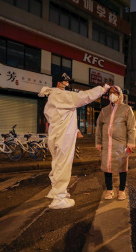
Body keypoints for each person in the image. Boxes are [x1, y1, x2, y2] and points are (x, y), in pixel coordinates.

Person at [38, 73, 110, 209]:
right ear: (59, 83)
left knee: (58, 163)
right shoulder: (60, 95)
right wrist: (102, 89)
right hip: (63, 136)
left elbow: (62, 116)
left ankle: (56, 191)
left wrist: (75, 129)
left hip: (57, 134)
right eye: (66, 82)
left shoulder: (54, 97)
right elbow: (82, 97)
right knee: (63, 165)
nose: (68, 84)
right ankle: (59, 198)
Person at [95, 85, 136, 200]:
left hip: (121, 144)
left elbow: (131, 128)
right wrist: (98, 142)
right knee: (107, 167)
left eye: (115, 93)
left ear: (120, 95)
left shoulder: (127, 109)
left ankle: (121, 190)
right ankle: (109, 190)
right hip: (106, 144)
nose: (112, 95)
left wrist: (131, 143)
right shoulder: (104, 110)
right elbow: (98, 127)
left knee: (122, 167)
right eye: (110, 93)